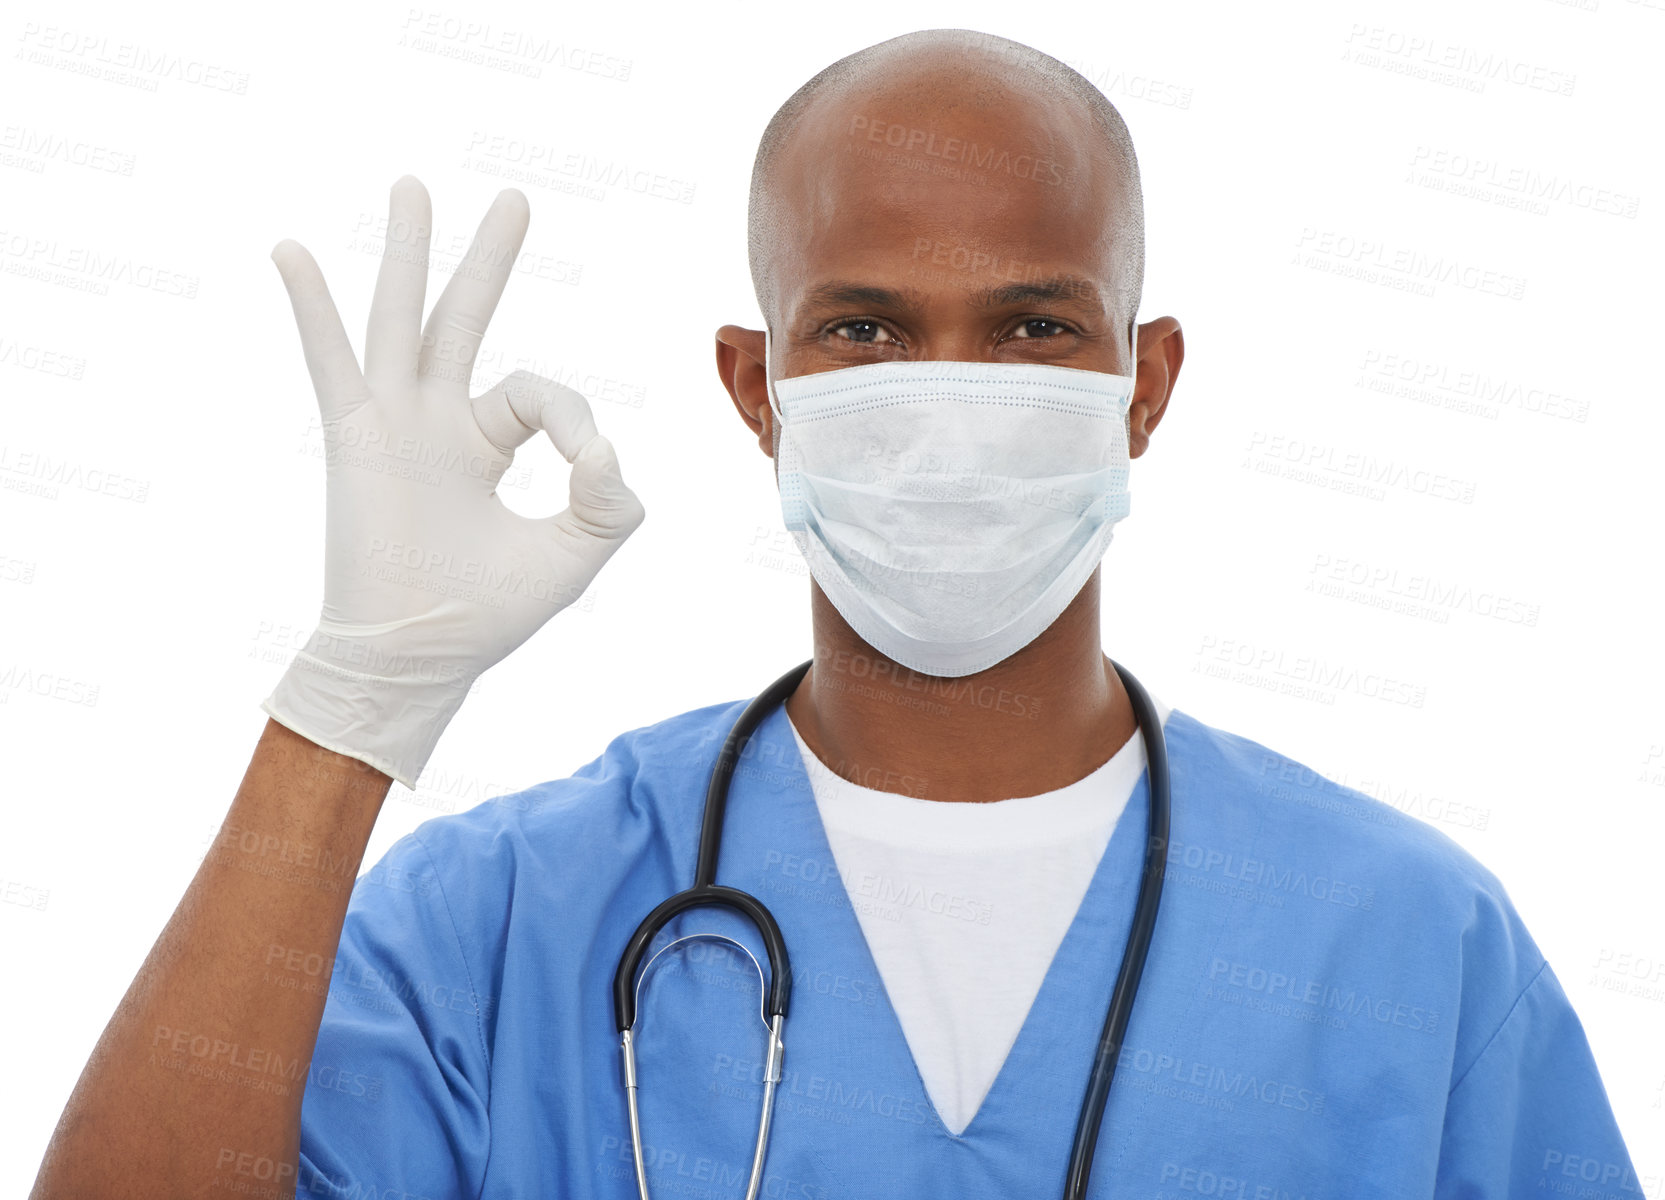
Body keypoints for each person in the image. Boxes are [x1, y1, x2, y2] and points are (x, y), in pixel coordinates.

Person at [29, 27, 1639, 1200]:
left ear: (1141, 385)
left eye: (1029, 327)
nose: (947, 394)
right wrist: (346, 713)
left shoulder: (1407, 945)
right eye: (865, 328)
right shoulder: (505, 922)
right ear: (757, 386)